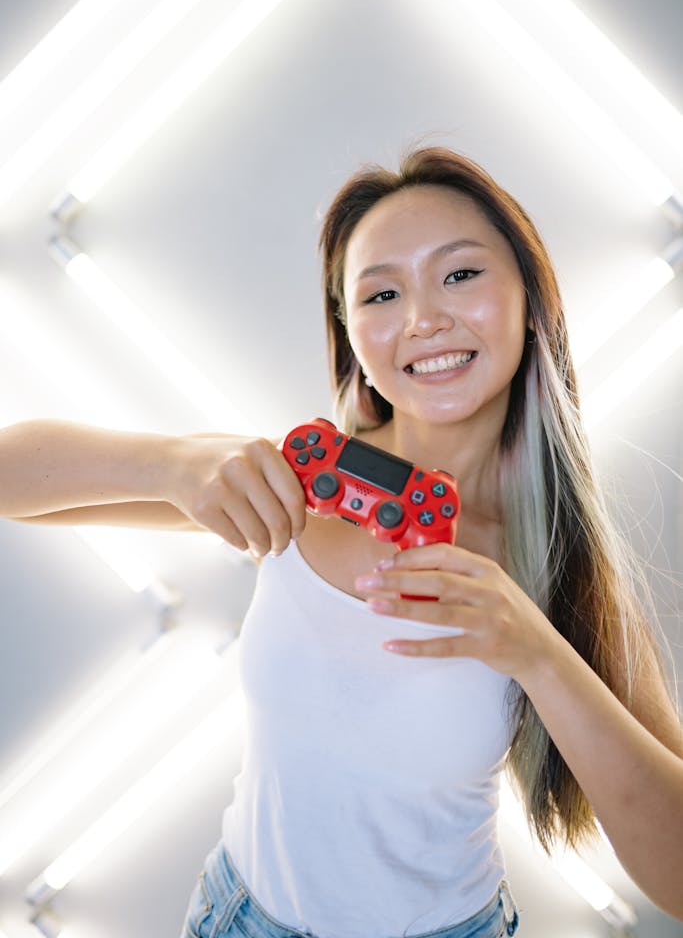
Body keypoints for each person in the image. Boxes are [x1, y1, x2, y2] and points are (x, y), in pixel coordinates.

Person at [1, 147, 682, 938]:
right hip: (233, 918)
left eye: (460, 274)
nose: (422, 319)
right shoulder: (305, 483)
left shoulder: (560, 571)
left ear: (531, 303)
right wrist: (174, 463)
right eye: (381, 293)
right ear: (351, 335)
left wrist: (537, 653)